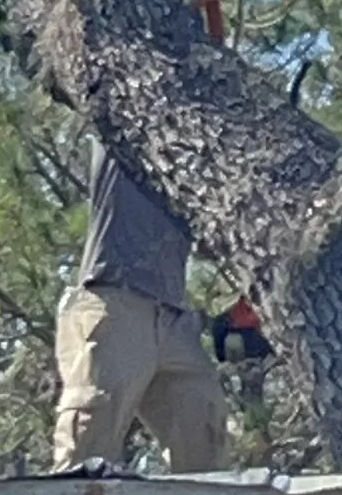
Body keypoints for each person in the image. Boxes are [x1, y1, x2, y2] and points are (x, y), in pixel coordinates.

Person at [53, 141, 230, 475]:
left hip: (173, 317)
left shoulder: (198, 156)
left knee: (206, 438)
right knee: (88, 451)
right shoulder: (122, 126)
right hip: (115, 299)